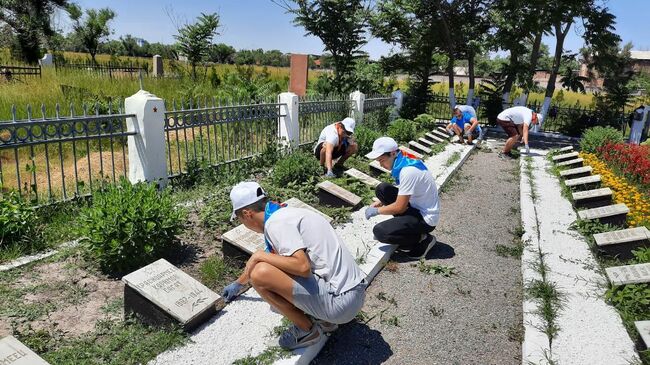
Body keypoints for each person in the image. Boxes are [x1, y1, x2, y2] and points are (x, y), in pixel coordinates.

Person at [222, 181, 366, 350]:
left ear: (247, 214)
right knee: (266, 265)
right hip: (354, 294)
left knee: (259, 274)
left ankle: (307, 331)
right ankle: (325, 321)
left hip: (341, 303)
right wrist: (239, 283)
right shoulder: (285, 214)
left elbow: (302, 267)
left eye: (239, 219)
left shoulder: (276, 224)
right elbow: (279, 259)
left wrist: (258, 256)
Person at [364, 137, 439, 259]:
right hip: (416, 208)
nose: (381, 165)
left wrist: (376, 211)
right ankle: (408, 230)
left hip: (425, 219)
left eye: (382, 160)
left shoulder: (408, 171)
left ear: (393, 153)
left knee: (380, 232)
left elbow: (399, 207)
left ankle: (422, 239)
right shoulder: (404, 159)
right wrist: (381, 202)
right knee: (382, 189)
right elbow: (404, 189)